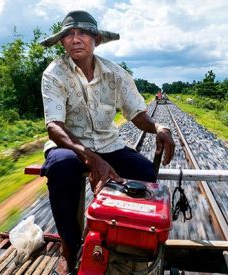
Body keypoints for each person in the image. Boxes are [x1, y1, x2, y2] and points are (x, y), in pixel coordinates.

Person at [40, 10, 175, 274]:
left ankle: (127, 242)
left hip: (109, 144)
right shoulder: (54, 73)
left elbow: (137, 114)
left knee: (145, 173)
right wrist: (90, 158)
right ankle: (69, 247)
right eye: (68, 35)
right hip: (69, 146)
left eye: (82, 34)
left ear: (96, 40)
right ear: (62, 42)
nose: (75, 40)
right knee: (61, 169)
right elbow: (54, 126)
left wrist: (158, 126)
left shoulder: (116, 74)